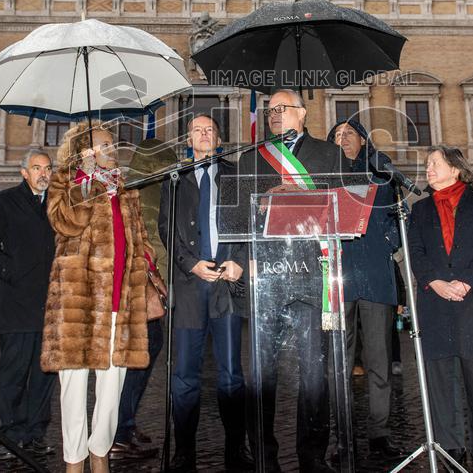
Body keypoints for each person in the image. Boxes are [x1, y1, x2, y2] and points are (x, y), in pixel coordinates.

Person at [235, 88, 343, 473]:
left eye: (283, 109)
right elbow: (238, 216)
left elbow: (341, 204)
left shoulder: (329, 154)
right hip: (267, 275)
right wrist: (265, 200)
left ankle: (312, 456)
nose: (274, 115)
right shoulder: (252, 157)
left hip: (312, 274)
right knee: (261, 373)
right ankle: (264, 456)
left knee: (313, 372)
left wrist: (303, 195)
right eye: (270, 111)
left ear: (303, 113)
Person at [41, 122, 151, 473]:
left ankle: (100, 450)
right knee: (73, 386)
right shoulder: (65, 180)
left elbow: (139, 239)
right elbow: (66, 223)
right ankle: (74, 459)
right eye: (103, 145)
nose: (111, 150)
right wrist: (84, 181)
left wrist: (149, 275)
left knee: (112, 385)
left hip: (120, 298)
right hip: (79, 301)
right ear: (83, 151)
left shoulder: (125, 187)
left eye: (111, 144)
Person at [160, 115, 251, 472]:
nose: (203, 134)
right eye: (196, 130)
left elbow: (249, 224)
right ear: (188, 140)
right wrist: (190, 264)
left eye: (209, 130)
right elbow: (166, 228)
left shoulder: (235, 176)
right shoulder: (174, 178)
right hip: (189, 286)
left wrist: (239, 261)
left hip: (226, 285)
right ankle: (184, 451)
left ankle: (236, 448)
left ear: (218, 139)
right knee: (184, 374)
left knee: (231, 374)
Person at [408, 146, 473, 472]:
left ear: (455, 169)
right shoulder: (419, 210)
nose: (428, 169)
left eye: (435, 163)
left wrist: (466, 282)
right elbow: (415, 251)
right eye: (427, 164)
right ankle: (451, 449)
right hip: (435, 304)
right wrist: (434, 281)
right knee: (440, 384)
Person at [0, 148, 58, 460]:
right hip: (18, 303)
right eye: (36, 168)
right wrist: (10, 270)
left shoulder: (58, 203)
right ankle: (11, 435)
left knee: (43, 375)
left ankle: (36, 434)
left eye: (47, 168)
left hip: (51, 305)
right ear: (24, 172)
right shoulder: (4, 201)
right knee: (13, 374)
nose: (43, 174)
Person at [329, 118, 402, 458]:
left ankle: (379, 432)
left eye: (349, 134)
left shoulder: (381, 172)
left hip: (375, 275)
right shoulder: (324, 174)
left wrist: (389, 242)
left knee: (379, 360)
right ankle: (341, 433)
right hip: (337, 279)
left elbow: (398, 216)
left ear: (363, 140)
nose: (343, 139)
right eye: (337, 135)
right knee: (338, 363)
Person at [110, 136, 177, 462]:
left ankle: (125, 424)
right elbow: (152, 240)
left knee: (137, 361)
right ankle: (119, 434)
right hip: (140, 289)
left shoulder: (132, 187)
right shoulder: (149, 191)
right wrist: (164, 280)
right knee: (137, 361)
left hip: (135, 288)